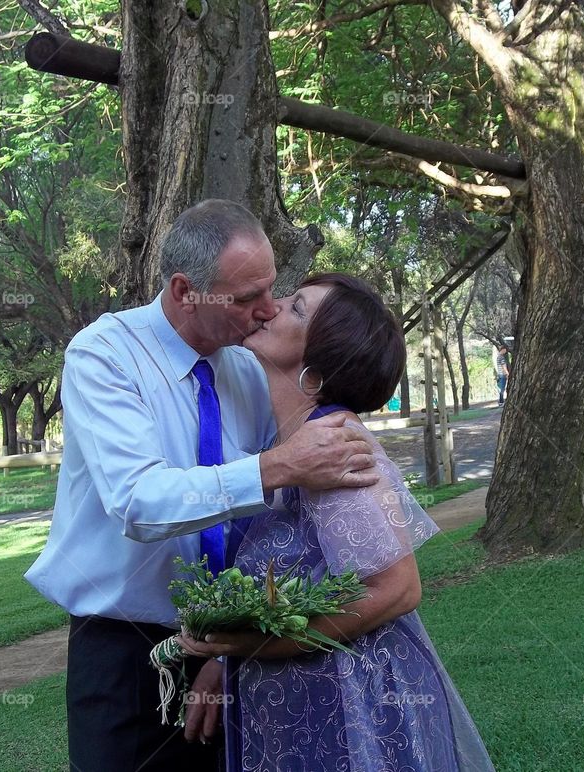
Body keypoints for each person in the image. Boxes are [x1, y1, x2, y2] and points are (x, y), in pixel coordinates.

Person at [25, 202, 379, 772]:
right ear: (187, 290)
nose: (265, 312)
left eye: (271, 290)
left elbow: (259, 528)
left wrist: (227, 647)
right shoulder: (104, 355)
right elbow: (138, 502)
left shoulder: (243, 369)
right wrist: (274, 466)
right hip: (125, 651)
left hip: (228, 645)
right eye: (245, 299)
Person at [179, 273, 496, 772]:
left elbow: (397, 588)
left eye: (297, 309)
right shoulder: (296, 442)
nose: (272, 307)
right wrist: (227, 660)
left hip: (352, 704)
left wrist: (260, 645)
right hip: (305, 695)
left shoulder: (337, 443)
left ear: (316, 369)